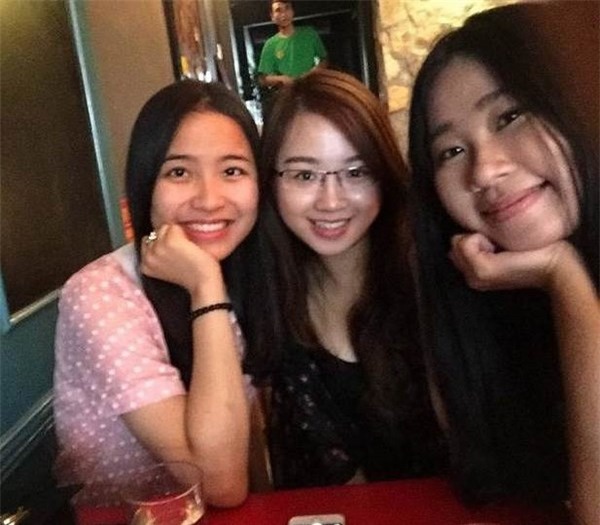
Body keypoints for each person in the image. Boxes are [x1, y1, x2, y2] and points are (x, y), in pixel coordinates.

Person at [408, 2, 599, 523]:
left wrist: (563, 275)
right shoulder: (475, 307)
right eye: (451, 151)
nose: (484, 171)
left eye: (510, 117)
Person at [53, 79, 276, 507]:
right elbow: (218, 484)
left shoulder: (249, 271)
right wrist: (205, 288)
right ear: (145, 185)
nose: (209, 200)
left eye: (232, 170)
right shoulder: (100, 294)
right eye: (179, 172)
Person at [258, 68, 446, 489]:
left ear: (385, 175)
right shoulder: (268, 291)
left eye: (356, 172)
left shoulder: (429, 280)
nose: (331, 201)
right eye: (304, 175)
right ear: (271, 182)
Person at [257, 0, 327, 90]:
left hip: (312, 89)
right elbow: (263, 79)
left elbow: (324, 59)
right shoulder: (270, 44)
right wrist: (281, 79)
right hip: (288, 93)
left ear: (293, 11)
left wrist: (313, 72)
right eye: (278, 10)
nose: (284, 14)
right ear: (272, 16)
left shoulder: (309, 33)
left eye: (287, 8)